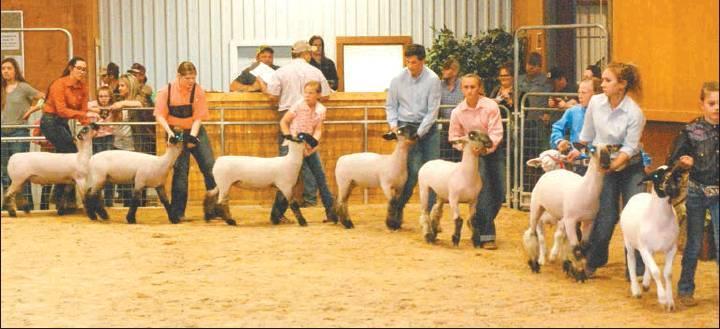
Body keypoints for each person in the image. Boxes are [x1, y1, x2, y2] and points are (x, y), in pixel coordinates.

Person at [574, 62, 646, 278]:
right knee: (606, 215)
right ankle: (593, 261)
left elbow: (630, 147)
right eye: (602, 79)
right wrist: (590, 156)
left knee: (634, 215)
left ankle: (637, 269)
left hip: (630, 166)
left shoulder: (635, 113)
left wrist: (612, 165)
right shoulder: (595, 103)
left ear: (622, 85)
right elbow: (586, 135)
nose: (602, 84)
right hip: (603, 164)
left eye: (607, 80)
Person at [266, 40, 332, 211]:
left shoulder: (280, 72)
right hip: (308, 119)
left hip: (288, 116)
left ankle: (280, 209)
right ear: (306, 54)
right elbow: (326, 95)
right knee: (311, 162)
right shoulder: (315, 71)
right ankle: (310, 199)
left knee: (285, 165)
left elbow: (272, 96)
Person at [669, 81, 719, 307]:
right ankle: (685, 288)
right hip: (697, 192)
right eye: (712, 103)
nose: (716, 107)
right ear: (702, 105)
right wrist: (682, 162)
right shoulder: (690, 131)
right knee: (693, 242)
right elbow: (674, 159)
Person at [385, 44, 441, 230]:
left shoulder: (433, 79)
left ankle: (432, 217)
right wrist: (393, 125)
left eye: (414, 62)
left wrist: (419, 133)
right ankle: (397, 207)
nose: (410, 66)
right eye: (408, 62)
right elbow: (391, 105)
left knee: (432, 172)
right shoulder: (397, 79)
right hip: (406, 127)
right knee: (414, 171)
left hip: (428, 129)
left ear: (423, 61)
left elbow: (433, 111)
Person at [154, 61, 217, 223]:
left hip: (194, 130)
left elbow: (199, 117)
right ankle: (178, 213)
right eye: (188, 78)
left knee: (209, 166)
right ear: (179, 76)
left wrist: (193, 136)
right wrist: (169, 134)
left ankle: (214, 209)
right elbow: (160, 115)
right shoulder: (166, 91)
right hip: (176, 132)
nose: (191, 82)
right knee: (181, 170)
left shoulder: (198, 91)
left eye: (193, 78)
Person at [448, 74, 504, 249]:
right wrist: (466, 148)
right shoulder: (457, 111)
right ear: (461, 89)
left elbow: (496, 132)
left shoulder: (491, 106)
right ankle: (487, 235)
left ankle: (477, 222)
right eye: (466, 87)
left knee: (499, 192)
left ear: (479, 88)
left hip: (492, 150)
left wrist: (486, 148)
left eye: (473, 87)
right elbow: (453, 137)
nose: (470, 91)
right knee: (485, 190)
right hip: (471, 155)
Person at [269, 81, 338, 224]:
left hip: (309, 147)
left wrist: (314, 143)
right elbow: (284, 122)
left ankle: (331, 213)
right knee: (286, 181)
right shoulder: (298, 105)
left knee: (320, 177)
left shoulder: (321, 109)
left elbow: (318, 128)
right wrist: (290, 138)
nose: (307, 95)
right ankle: (277, 215)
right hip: (292, 147)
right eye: (305, 92)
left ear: (318, 94)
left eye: (311, 93)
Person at [39, 56, 94, 214]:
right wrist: (85, 114)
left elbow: (82, 111)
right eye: (79, 68)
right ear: (71, 68)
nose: (82, 72)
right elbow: (62, 110)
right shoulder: (59, 84)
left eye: (84, 69)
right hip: (50, 121)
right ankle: (62, 200)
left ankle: (63, 201)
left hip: (62, 122)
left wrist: (89, 124)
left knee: (69, 157)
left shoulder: (83, 87)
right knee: (71, 154)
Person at [1, 57, 45, 211]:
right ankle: (9, 202)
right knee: (4, 168)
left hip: (19, 130)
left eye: (9, 68)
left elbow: (43, 98)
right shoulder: (2, 89)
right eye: (3, 68)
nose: (6, 71)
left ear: (15, 70)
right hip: (2, 132)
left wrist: (32, 110)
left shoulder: (23, 87)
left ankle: (25, 203)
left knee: (21, 168)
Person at [550, 77, 602, 175]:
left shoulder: (605, 114)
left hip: (598, 166)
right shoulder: (573, 111)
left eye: (584, 92)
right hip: (576, 166)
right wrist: (559, 141)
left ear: (596, 94)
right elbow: (557, 128)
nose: (580, 96)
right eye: (579, 92)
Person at [86, 86, 116, 207]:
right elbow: (84, 106)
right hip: (96, 138)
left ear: (110, 97)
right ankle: (97, 199)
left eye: (106, 96)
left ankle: (109, 200)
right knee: (98, 168)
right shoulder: (93, 105)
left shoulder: (114, 106)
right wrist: (97, 109)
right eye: (101, 96)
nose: (103, 99)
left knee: (110, 168)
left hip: (109, 137)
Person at [127, 63, 156, 156]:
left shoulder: (146, 89)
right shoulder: (131, 89)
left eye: (136, 75)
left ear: (142, 76)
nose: (132, 77)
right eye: (132, 75)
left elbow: (139, 102)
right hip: (136, 128)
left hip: (146, 130)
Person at [438, 58, 464, 162]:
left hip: (461, 128)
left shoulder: (463, 84)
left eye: (447, 69)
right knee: (445, 158)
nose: (443, 71)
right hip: (445, 127)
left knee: (460, 159)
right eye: (443, 69)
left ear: (455, 71)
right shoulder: (438, 85)